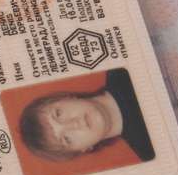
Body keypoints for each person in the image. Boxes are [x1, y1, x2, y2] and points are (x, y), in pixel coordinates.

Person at [17, 68, 155, 162]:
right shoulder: (150, 151)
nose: (73, 124)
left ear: (64, 97)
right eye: (67, 139)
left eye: (58, 114)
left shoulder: (122, 69)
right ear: (83, 149)